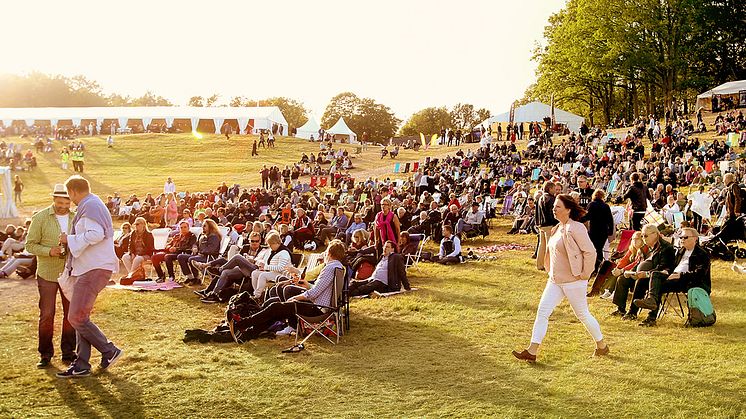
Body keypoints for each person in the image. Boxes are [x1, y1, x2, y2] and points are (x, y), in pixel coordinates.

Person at [512, 194, 609, 363]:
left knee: (583, 315)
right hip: (555, 281)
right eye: (554, 207)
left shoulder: (577, 228)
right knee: (542, 312)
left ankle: (602, 346)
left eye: (557, 207)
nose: (553, 210)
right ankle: (532, 351)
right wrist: (549, 270)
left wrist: (585, 274)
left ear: (568, 210)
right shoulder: (556, 228)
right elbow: (552, 252)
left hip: (574, 281)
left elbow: (590, 252)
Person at [56, 175, 122, 378]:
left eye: (69, 194)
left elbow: (96, 234)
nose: (70, 199)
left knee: (75, 316)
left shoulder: (90, 206)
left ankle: (109, 350)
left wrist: (69, 238)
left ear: (74, 191)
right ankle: (82, 364)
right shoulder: (93, 204)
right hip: (93, 267)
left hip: (93, 268)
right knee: (81, 317)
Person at [229, 240, 346, 341]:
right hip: (321, 306)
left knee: (276, 307)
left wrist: (296, 298)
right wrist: (307, 286)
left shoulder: (329, 268)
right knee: (277, 307)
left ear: (329, 254)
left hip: (318, 309)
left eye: (325, 252)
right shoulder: (338, 267)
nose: (324, 254)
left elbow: (314, 293)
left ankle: (241, 324)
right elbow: (321, 290)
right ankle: (247, 334)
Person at [24, 184, 77, 368]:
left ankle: (69, 352)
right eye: (59, 202)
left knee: (70, 314)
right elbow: (30, 245)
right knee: (47, 314)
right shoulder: (40, 217)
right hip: (47, 273)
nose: (63, 206)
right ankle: (45, 354)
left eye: (66, 203)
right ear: (53, 199)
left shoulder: (75, 217)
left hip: (70, 273)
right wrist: (49, 251)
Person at [633, 227, 711, 326]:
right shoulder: (681, 251)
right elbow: (673, 266)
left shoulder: (702, 254)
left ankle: (651, 314)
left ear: (695, 238)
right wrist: (667, 271)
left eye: (685, 237)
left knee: (656, 281)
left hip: (689, 282)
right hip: (673, 278)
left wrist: (680, 276)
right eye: (681, 237)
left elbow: (699, 274)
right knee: (647, 279)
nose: (682, 240)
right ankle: (635, 311)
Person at [610, 224, 675, 322]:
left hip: (656, 277)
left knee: (640, 281)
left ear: (655, 234)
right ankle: (621, 309)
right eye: (642, 236)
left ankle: (633, 312)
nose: (643, 238)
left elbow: (663, 267)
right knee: (622, 279)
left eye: (645, 236)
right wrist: (630, 272)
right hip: (641, 274)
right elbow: (639, 263)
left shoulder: (665, 248)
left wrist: (645, 273)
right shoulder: (646, 248)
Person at [178, 219, 221, 285]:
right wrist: (194, 247)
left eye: (204, 226)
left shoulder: (214, 237)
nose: (202, 227)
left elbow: (211, 250)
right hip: (199, 255)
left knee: (191, 259)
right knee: (180, 257)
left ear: (210, 227)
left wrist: (199, 251)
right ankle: (190, 277)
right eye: (202, 226)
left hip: (208, 257)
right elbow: (196, 243)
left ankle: (197, 278)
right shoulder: (202, 235)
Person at [250, 231, 291, 300]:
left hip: (282, 274)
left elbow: (281, 268)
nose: (270, 247)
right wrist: (263, 267)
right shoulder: (275, 251)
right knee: (254, 273)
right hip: (274, 272)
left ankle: (257, 295)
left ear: (275, 243)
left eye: (270, 245)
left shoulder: (284, 252)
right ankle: (258, 293)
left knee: (263, 275)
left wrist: (266, 267)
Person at [582, 189, 614, 272]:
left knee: (593, 249)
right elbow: (610, 219)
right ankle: (599, 267)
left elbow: (587, 216)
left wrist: (578, 220)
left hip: (593, 230)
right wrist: (610, 231)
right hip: (603, 231)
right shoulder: (606, 206)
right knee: (599, 249)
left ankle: (594, 267)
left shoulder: (591, 205)